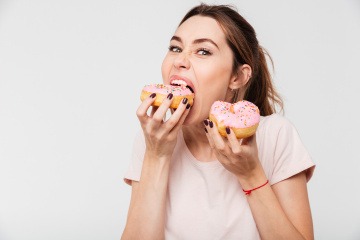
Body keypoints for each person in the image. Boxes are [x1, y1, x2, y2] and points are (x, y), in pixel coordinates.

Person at [121, 3, 315, 240]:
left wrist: (251, 174)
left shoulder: (275, 135)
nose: (179, 61)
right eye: (175, 47)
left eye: (203, 51)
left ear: (237, 77)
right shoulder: (152, 139)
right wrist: (157, 156)